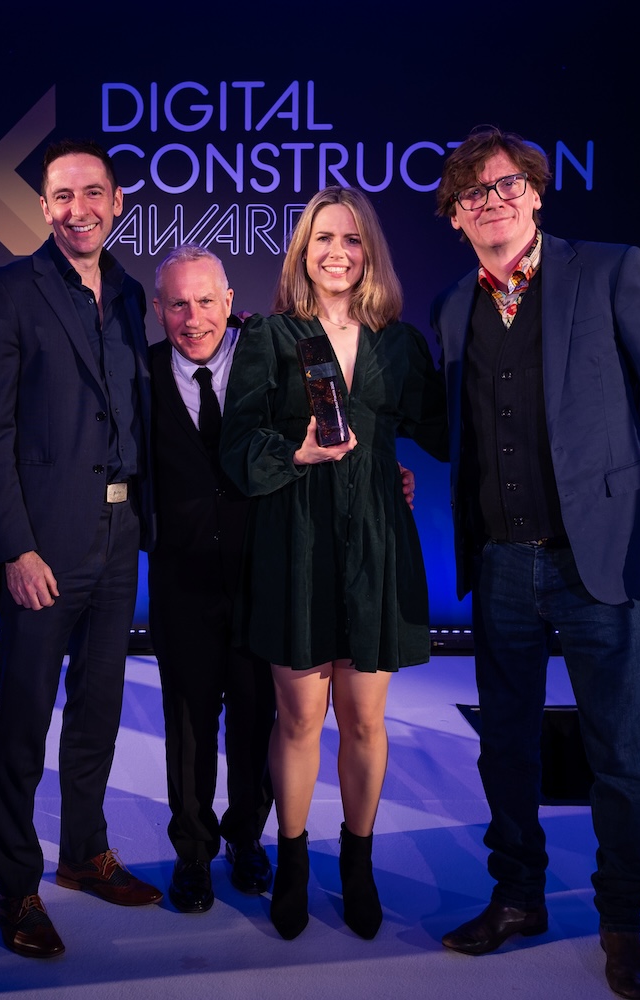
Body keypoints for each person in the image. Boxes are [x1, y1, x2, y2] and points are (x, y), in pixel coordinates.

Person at [431, 127, 640, 1000]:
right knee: (505, 751)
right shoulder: (451, 309)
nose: (493, 202)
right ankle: (517, 898)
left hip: (605, 557)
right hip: (503, 564)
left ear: (539, 193)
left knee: (620, 755)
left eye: (507, 185)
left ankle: (621, 922)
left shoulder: (609, 269)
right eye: (472, 194)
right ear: (454, 218)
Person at [220, 186, 448, 941]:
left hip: (378, 542)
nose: (337, 254)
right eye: (322, 239)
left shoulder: (399, 343)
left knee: (365, 720)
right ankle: (291, 860)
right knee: (299, 720)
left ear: (369, 252)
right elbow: (238, 443)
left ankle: (357, 863)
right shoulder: (272, 337)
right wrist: (297, 452)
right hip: (297, 540)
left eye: (351, 240)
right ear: (302, 252)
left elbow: (443, 430)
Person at [0, 139, 161, 959]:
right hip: (43, 545)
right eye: (61, 195)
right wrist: (15, 546)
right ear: (43, 208)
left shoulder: (129, 293)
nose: (78, 208)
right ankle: (17, 890)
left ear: (118, 202)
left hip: (120, 538)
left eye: (93, 193)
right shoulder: (4, 290)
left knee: (99, 711)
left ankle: (85, 853)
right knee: (24, 721)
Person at [147, 246, 276, 913]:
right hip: (181, 582)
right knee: (189, 724)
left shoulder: (269, 364)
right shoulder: (141, 375)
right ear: (159, 308)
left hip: (262, 578)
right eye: (177, 304)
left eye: (205, 302)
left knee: (257, 719)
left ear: (229, 301)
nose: (192, 318)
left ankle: (247, 839)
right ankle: (192, 852)